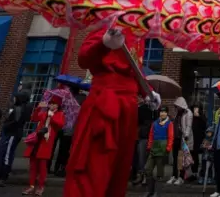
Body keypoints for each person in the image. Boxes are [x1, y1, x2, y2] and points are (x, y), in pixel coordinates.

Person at [64, 26, 159, 197]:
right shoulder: (108, 24)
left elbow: (134, 71)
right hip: (107, 103)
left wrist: (148, 92)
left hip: (128, 108)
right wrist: (104, 42)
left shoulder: (138, 34)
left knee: (120, 168)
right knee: (94, 166)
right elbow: (84, 58)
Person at [23, 95, 65, 196]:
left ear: (58, 106)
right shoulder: (44, 113)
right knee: (33, 166)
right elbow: (34, 118)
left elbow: (60, 125)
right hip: (37, 142)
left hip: (46, 143)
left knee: (42, 167)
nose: (51, 105)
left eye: (54, 104)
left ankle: (41, 187)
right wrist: (38, 108)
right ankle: (31, 186)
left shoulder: (59, 114)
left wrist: (52, 116)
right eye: (50, 103)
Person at [0, 89, 30, 186]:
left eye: (15, 97)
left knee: (7, 154)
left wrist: (6, 125)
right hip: (11, 133)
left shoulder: (19, 109)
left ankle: (3, 176)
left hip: (12, 133)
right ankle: (1, 173)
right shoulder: (17, 107)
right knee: (5, 153)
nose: (13, 99)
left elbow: (15, 122)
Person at [145, 106, 174, 197]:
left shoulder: (169, 124)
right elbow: (151, 135)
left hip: (162, 149)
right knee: (148, 169)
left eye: (164, 112)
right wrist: (149, 146)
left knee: (159, 172)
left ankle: (157, 192)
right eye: (161, 112)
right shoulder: (154, 123)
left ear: (167, 113)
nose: (162, 113)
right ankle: (150, 191)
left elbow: (171, 137)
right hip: (154, 148)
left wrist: (168, 148)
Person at [132, 96, 157, 186]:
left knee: (142, 158)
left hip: (144, 136)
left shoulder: (144, 109)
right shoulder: (154, 111)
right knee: (146, 158)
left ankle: (144, 176)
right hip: (148, 136)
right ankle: (145, 176)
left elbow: (137, 120)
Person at [169, 96, 192, 185]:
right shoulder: (177, 113)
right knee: (175, 158)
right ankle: (174, 175)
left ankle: (181, 177)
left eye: (177, 106)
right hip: (176, 137)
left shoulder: (187, 113)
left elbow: (188, 126)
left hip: (182, 138)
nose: (177, 108)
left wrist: (186, 136)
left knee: (181, 159)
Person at [190, 104, 207, 181]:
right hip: (193, 139)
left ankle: (202, 174)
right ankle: (194, 173)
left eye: (197, 108)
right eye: (194, 108)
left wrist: (199, 117)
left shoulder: (202, 116)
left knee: (202, 158)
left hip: (200, 139)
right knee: (194, 156)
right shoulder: (192, 117)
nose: (195, 110)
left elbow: (205, 125)